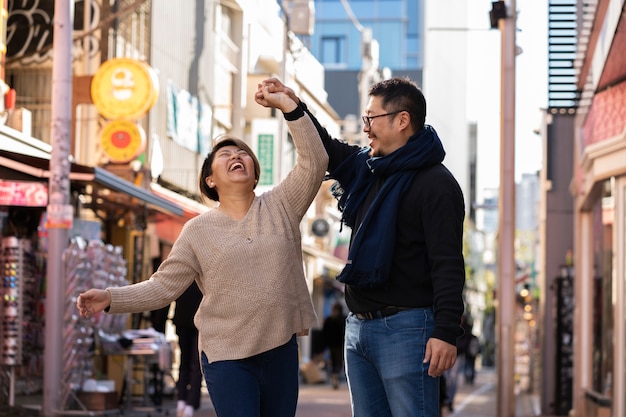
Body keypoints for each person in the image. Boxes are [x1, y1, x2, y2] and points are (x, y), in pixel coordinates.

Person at [76, 80, 329, 417]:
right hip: (226, 355)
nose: (236, 156)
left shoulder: (282, 205)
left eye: (243, 154)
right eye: (225, 154)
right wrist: (112, 297)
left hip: (280, 350)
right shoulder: (197, 230)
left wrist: (289, 107)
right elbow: (163, 286)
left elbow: (315, 161)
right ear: (210, 179)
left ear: (254, 174)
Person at [268, 76, 466, 417]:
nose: (366, 128)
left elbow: (447, 264)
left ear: (402, 120)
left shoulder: (436, 184)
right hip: (358, 328)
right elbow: (327, 149)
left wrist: (446, 333)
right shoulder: (370, 167)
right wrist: (293, 105)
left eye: (371, 118)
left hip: (408, 329)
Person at [173, 281, 202, 417]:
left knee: (190, 364)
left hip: (190, 321)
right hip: (188, 321)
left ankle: (186, 401)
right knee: (191, 364)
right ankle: (186, 401)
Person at [322, 302, 347, 389]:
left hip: (332, 344)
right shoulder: (344, 319)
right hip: (340, 344)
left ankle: (334, 375)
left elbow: (324, 333)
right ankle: (335, 375)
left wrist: (325, 344)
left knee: (333, 361)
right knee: (339, 361)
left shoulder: (329, 319)